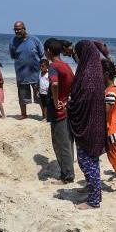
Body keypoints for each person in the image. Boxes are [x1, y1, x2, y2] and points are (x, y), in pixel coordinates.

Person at [67, 40, 109, 209]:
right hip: (93, 123)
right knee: (91, 161)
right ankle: (93, 192)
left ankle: (93, 201)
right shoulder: (93, 70)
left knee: (86, 162)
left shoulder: (88, 76)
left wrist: (70, 104)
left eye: (77, 53)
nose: (76, 56)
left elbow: (84, 100)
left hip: (88, 125)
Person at [44, 38, 75, 183]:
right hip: (67, 109)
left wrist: (56, 101)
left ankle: (67, 176)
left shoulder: (53, 66)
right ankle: (69, 171)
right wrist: (66, 99)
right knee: (67, 142)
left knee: (60, 143)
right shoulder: (66, 66)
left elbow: (54, 83)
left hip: (59, 112)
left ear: (48, 51)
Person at [9, 21, 43, 119]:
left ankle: (44, 115)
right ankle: (24, 114)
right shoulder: (13, 42)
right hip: (21, 74)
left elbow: (42, 54)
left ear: (24, 28)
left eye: (19, 29)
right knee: (22, 96)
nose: (17, 31)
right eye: (15, 29)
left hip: (35, 73)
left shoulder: (34, 40)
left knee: (40, 95)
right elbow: (13, 56)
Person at [102, 58, 116, 183]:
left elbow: (104, 111)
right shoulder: (112, 90)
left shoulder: (111, 92)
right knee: (113, 156)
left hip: (111, 130)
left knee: (115, 156)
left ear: (106, 74)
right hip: (112, 128)